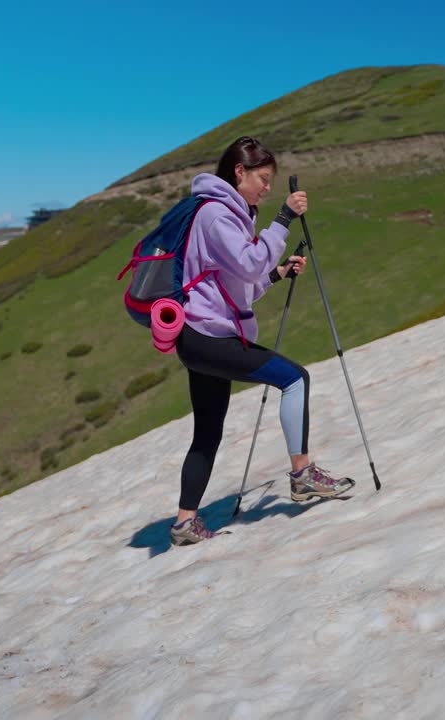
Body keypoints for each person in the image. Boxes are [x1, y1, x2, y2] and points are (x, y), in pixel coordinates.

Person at [169, 136, 354, 546]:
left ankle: (185, 523)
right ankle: (303, 476)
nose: (268, 188)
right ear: (240, 172)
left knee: (207, 432)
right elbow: (251, 262)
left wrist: (278, 274)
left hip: (198, 337)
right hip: (209, 336)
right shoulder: (217, 215)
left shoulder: (226, 215)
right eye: (263, 178)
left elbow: (240, 286)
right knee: (294, 379)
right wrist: (284, 219)